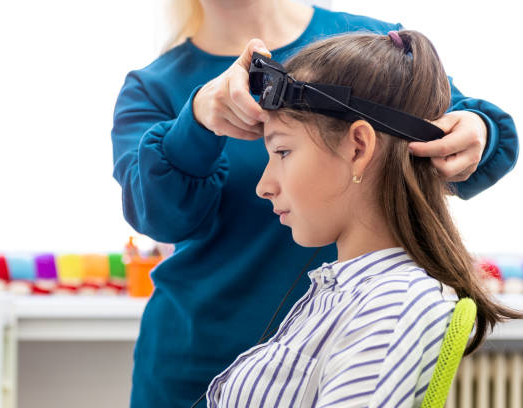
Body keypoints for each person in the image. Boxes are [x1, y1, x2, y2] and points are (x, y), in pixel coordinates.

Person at [111, 1, 519, 406]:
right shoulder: (152, 88)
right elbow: (158, 213)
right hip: (195, 367)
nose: (264, 186)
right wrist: (196, 122)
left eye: (283, 151)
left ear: (359, 145)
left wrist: (478, 130)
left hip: (346, 345)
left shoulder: (370, 47)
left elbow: (439, 142)